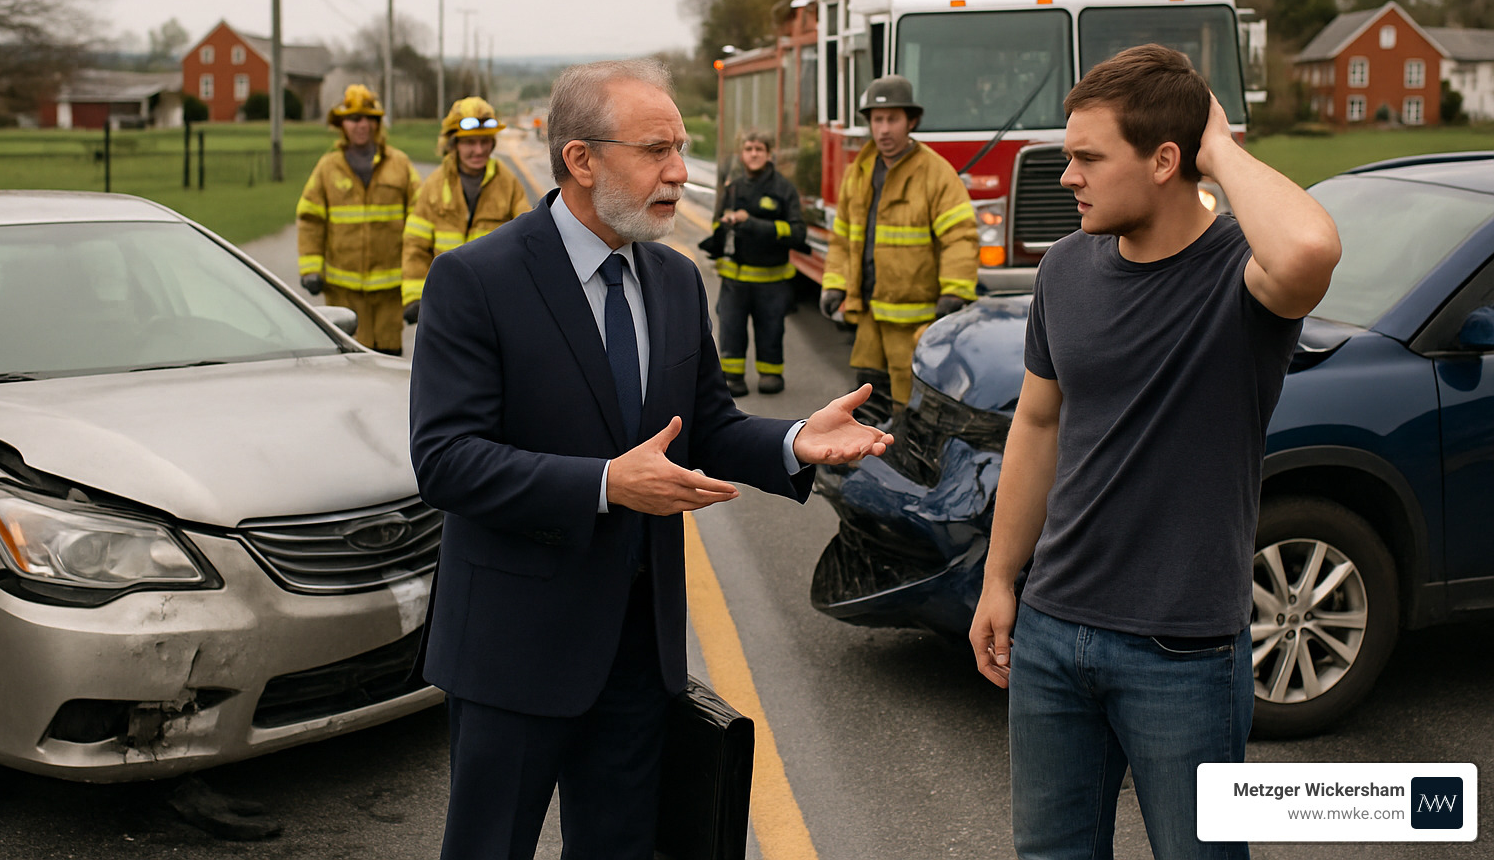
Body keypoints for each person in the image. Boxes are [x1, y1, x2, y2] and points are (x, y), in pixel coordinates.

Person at [408, 58, 894, 860]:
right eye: (656, 151)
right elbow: (447, 460)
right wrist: (604, 484)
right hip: (513, 650)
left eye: (680, 148)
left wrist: (790, 439)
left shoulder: (672, 280)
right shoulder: (476, 280)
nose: (678, 173)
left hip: (639, 655)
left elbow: (699, 424)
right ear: (581, 160)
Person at [967, 44, 1341, 859]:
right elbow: (1038, 425)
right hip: (1055, 630)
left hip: (1185, 651)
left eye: (1087, 158)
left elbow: (1309, 251)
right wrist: (1001, 577)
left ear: (1166, 160)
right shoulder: (1064, 268)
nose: (1067, 176)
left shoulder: (1241, 279)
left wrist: (1221, 147)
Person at [819, 74, 978, 408]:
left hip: (914, 322)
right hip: (868, 316)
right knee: (867, 397)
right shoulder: (859, 171)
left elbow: (960, 236)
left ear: (911, 121)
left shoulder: (936, 173)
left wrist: (955, 290)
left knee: (910, 402)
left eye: (893, 119)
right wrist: (834, 284)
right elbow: (842, 239)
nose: (884, 129)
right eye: (878, 120)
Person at [295, 84, 419, 354]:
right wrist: (311, 268)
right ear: (342, 124)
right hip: (342, 293)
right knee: (347, 362)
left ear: (376, 123)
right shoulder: (328, 167)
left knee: (387, 360)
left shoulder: (400, 165)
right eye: (353, 118)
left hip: (389, 294)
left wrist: (417, 285)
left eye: (367, 118)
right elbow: (310, 219)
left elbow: (420, 223)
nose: (360, 125)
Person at [402, 96, 531, 324]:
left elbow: (528, 243)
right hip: (445, 305)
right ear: (453, 144)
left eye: (484, 141)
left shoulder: (508, 183)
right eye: (469, 142)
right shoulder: (434, 185)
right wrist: (414, 296)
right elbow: (415, 246)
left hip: (495, 306)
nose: (478, 150)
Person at [697, 130, 807, 396]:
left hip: (772, 281)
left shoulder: (783, 189)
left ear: (769, 155)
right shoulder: (732, 188)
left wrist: (755, 224)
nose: (754, 153)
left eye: (759, 149)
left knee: (770, 330)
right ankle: (733, 376)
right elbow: (716, 221)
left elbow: (797, 233)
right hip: (734, 280)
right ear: (742, 154)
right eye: (749, 149)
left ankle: (770, 373)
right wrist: (721, 231)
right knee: (731, 330)